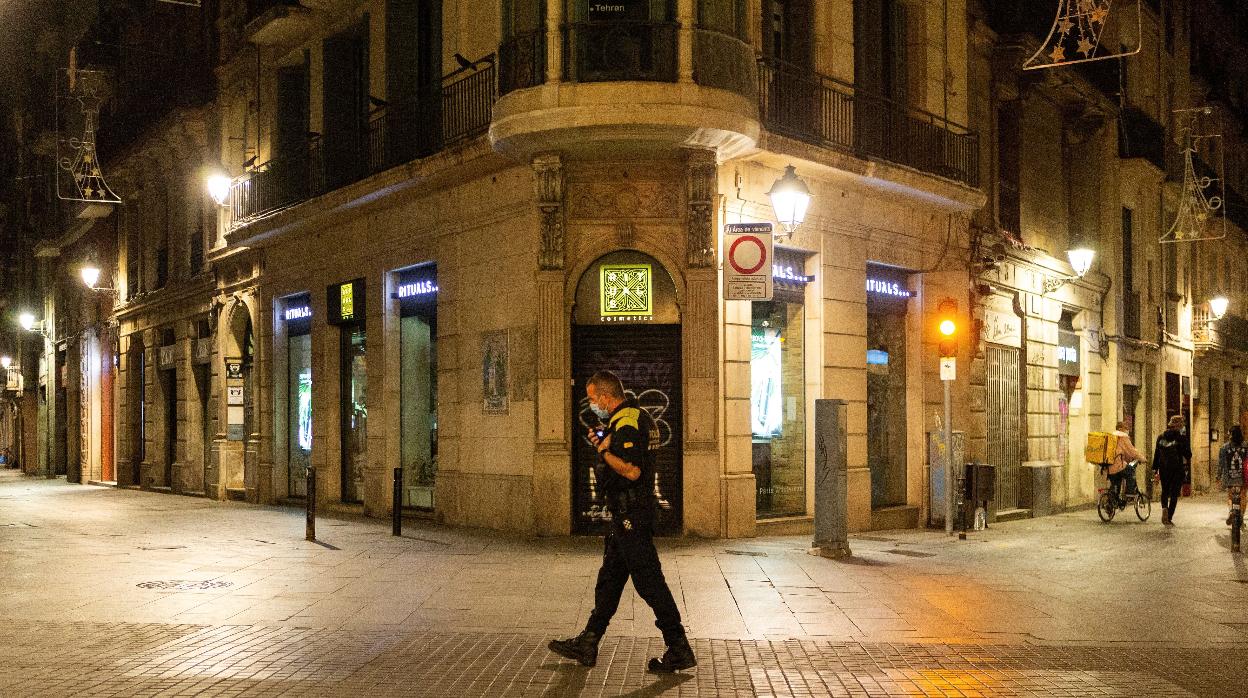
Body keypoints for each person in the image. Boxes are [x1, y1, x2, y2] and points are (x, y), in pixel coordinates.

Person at [548, 370, 696, 673]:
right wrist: (605, 440)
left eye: (592, 398)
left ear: (605, 396)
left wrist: (603, 450)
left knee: (650, 582)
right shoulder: (631, 418)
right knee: (610, 582)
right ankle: (589, 641)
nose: (592, 405)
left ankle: (678, 646)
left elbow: (632, 471)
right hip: (625, 517)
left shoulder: (626, 421)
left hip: (632, 516)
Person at [1153, 414, 1192, 526]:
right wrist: (1182, 446)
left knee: (1165, 491)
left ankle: (1164, 508)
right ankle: (1168, 517)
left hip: (1163, 468)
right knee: (1174, 494)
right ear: (1180, 426)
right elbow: (1188, 455)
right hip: (1177, 469)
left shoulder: (1160, 437)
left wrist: (1155, 470)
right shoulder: (1181, 438)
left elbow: (1157, 454)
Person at [1217, 425, 1248, 526]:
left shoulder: (1224, 447)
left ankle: (1231, 511)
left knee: (1230, 496)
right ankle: (1241, 517)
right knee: (1243, 497)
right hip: (1243, 478)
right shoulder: (1246, 446)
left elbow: (1220, 464)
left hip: (1230, 477)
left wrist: (1218, 477)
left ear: (1230, 435)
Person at [1109, 422, 1144, 501]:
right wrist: (1142, 458)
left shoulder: (1111, 436)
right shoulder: (1122, 436)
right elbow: (1132, 451)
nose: (1127, 430)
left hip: (1108, 466)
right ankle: (1130, 493)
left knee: (1115, 483)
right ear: (1120, 428)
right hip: (1118, 465)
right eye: (1126, 428)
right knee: (1131, 471)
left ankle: (1112, 502)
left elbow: (1124, 452)